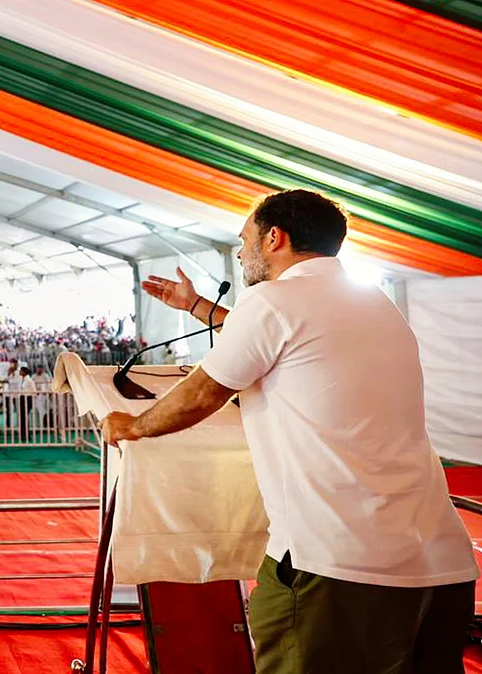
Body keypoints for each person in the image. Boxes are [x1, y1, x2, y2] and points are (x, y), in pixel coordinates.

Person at [100, 189, 477, 673]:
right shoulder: (374, 304)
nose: (240, 253)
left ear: (274, 238)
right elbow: (281, 337)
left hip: (336, 567)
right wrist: (197, 306)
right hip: (439, 564)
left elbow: (201, 393)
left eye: (245, 239)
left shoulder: (272, 301)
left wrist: (132, 426)